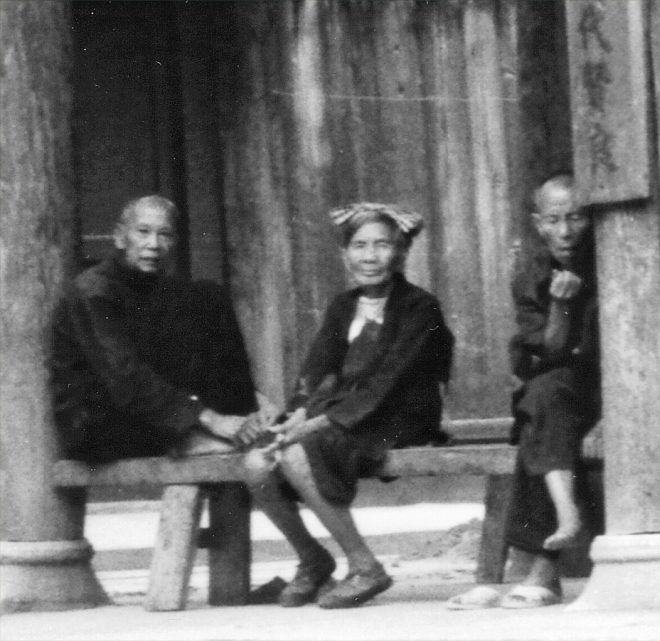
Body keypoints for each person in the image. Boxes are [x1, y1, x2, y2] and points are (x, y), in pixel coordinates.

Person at [241, 203, 454, 609]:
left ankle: (364, 565)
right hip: (339, 412)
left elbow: (386, 384)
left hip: (399, 415)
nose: (370, 257)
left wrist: (318, 424)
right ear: (345, 254)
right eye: (359, 246)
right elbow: (317, 368)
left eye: (382, 245)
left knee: (297, 456)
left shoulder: (419, 307)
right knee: (256, 464)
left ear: (402, 253)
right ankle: (313, 559)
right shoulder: (343, 305)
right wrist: (299, 412)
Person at [447, 172, 600, 610]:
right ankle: (550, 552)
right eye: (554, 220)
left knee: (540, 407)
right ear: (538, 224)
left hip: (610, 387)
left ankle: (542, 571)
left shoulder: (613, 257)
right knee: (542, 401)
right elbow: (549, 352)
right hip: (560, 388)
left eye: (576, 218)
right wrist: (561, 305)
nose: (565, 231)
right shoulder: (532, 273)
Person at [49, 195, 259, 463]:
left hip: (150, 416)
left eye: (165, 235)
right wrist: (206, 418)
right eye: (143, 232)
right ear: (120, 238)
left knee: (209, 296)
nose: (154, 245)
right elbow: (124, 376)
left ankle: (242, 423)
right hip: (95, 425)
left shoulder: (157, 288)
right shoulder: (92, 291)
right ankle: (193, 434)